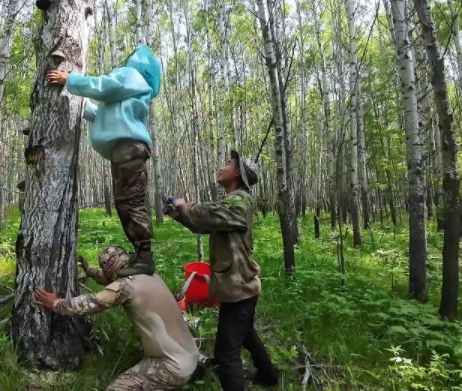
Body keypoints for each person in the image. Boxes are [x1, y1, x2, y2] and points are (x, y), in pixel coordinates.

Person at [166, 151, 280, 390]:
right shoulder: (233, 201)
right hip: (236, 288)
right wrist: (181, 215)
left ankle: (262, 378)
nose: (222, 167)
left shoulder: (240, 201)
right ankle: (269, 377)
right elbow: (205, 223)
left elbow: (210, 213)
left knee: (226, 353)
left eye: (228, 164)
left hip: (240, 289)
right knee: (245, 333)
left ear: (238, 172)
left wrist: (185, 206)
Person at [46, 44, 161, 277]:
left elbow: (106, 86)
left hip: (129, 148)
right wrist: (82, 105)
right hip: (125, 148)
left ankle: (145, 258)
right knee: (125, 202)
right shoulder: (132, 91)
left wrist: (71, 80)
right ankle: (141, 256)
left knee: (131, 201)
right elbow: (105, 114)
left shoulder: (132, 76)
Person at [34, 246, 199, 390]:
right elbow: (110, 279)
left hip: (172, 366)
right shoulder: (149, 274)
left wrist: (56, 303)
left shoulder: (126, 287)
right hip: (191, 355)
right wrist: (89, 271)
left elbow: (90, 303)